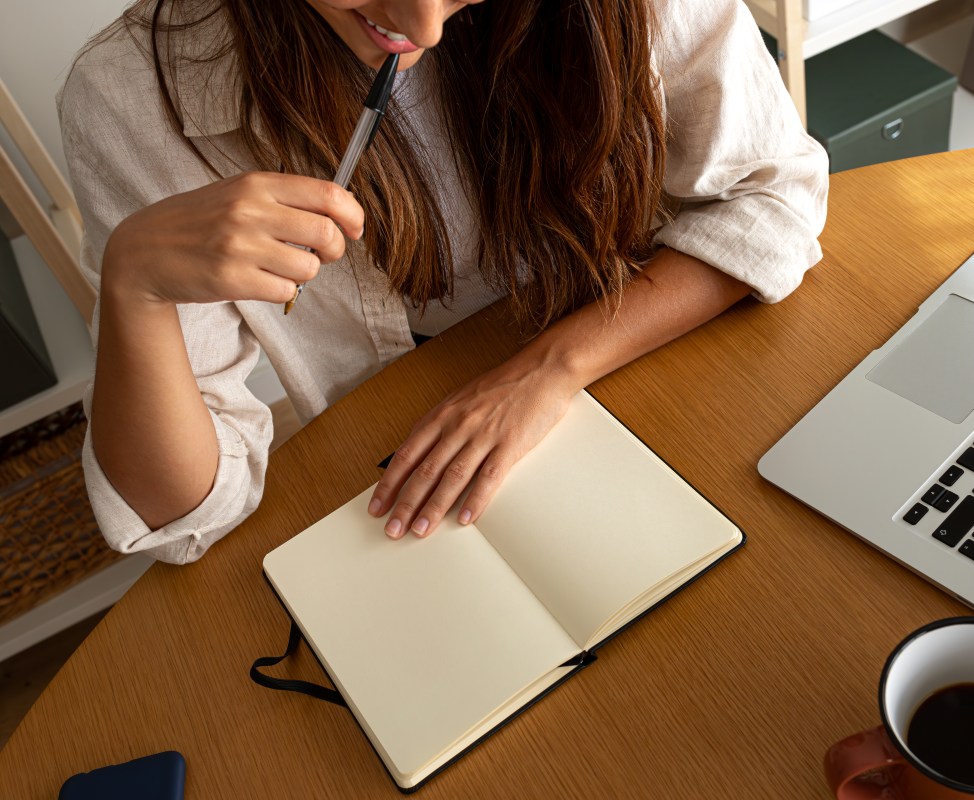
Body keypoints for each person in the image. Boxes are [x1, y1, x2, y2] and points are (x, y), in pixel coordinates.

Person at [58, 0, 829, 564]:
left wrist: (550, 369)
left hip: (658, 371)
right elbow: (183, 517)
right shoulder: (131, 96)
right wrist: (135, 287)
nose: (423, 28)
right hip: (411, 481)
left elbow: (773, 197)